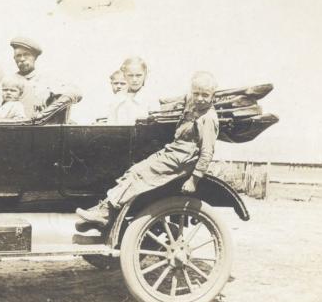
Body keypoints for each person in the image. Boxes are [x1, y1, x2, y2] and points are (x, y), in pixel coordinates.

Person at [77, 71, 220, 228]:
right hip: (172, 152)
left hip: (183, 159)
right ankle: (105, 209)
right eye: (196, 93)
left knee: (139, 175)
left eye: (205, 95)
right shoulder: (192, 105)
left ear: (213, 96)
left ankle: (106, 213)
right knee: (134, 170)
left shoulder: (208, 118)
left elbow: (207, 153)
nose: (199, 98)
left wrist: (194, 180)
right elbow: (171, 100)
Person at [8, 36, 80, 118]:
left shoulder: (47, 79)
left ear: (35, 57)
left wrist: (50, 94)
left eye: (26, 55)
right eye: (18, 56)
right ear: (14, 58)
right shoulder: (8, 81)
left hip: (43, 127)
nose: (22, 59)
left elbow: (76, 92)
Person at [106, 57, 159, 124]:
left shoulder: (151, 98)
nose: (134, 79)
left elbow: (156, 127)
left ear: (145, 75)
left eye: (138, 75)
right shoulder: (118, 98)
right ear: (124, 76)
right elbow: (111, 124)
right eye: (130, 75)